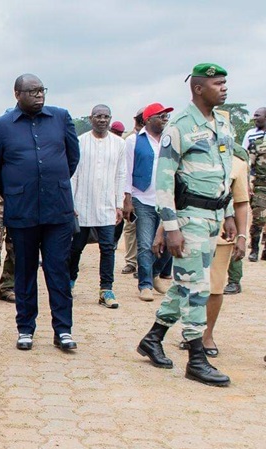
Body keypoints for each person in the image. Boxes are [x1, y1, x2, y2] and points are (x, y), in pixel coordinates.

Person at [137, 63, 235, 387]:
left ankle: (153, 338)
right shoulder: (179, 125)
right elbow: (163, 181)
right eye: (217, 83)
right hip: (189, 218)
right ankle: (196, 358)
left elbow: (225, 173)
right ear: (198, 88)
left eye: (224, 83)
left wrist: (231, 212)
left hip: (214, 217)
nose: (223, 88)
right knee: (197, 288)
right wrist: (171, 226)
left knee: (184, 283)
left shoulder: (223, 123)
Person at [0, 73, 80, 351]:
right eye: (32, 91)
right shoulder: (2, 127)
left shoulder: (61, 118)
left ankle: (63, 329)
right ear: (17, 94)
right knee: (24, 273)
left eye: (42, 90)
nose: (39, 95)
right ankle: (25, 328)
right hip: (22, 212)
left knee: (57, 272)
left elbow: (72, 158)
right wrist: (17, 189)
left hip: (57, 210)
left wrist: (53, 182)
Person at [170, 146, 249, 357]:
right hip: (189, 228)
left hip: (222, 234)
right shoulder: (190, 159)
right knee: (187, 283)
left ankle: (207, 335)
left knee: (214, 287)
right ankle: (190, 333)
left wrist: (242, 236)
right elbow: (174, 196)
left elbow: (241, 203)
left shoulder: (238, 165)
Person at [68, 104, 126, 309]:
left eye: (106, 116)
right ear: (91, 118)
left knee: (108, 248)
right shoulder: (80, 142)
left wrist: (119, 204)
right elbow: (73, 174)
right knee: (75, 248)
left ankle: (106, 289)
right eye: (98, 116)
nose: (102, 120)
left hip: (107, 206)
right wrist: (72, 203)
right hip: (82, 204)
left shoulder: (119, 144)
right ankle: (69, 282)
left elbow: (121, 175)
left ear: (110, 119)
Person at [123, 103, 174, 301]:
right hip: (142, 197)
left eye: (166, 117)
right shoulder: (134, 141)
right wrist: (127, 199)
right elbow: (127, 171)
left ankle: (154, 273)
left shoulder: (169, 140)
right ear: (148, 119)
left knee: (170, 241)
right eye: (161, 116)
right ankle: (145, 284)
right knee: (145, 243)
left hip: (167, 199)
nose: (164, 119)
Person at [121, 108, 145, 276]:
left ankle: (145, 264)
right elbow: (124, 170)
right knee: (131, 227)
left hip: (149, 193)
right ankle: (131, 262)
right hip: (133, 190)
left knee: (147, 228)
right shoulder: (128, 140)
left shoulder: (157, 139)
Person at [244, 107, 266, 262]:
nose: (254, 118)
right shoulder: (255, 141)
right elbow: (246, 164)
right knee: (259, 218)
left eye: (258, 115)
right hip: (260, 185)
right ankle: (254, 249)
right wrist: (247, 184)